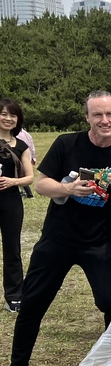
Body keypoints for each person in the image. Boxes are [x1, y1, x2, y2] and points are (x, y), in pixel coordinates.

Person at [1, 91, 111, 366]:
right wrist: (69, 188)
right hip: (57, 239)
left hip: (99, 243)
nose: (104, 120)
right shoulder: (67, 143)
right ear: (87, 117)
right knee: (33, 303)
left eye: (110, 114)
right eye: (97, 114)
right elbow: (41, 184)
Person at [0, 99, 35, 312]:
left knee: (12, 248)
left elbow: (30, 177)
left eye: (12, 115)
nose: (8, 118)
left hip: (11, 201)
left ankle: (14, 295)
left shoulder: (22, 145)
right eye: (3, 114)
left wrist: (13, 181)